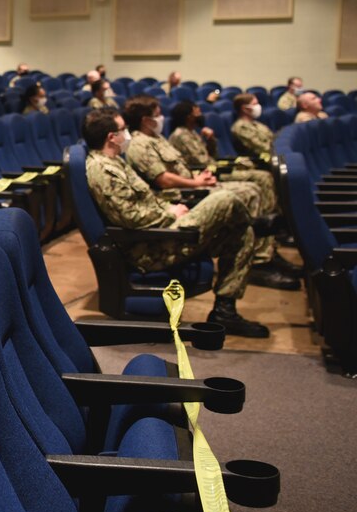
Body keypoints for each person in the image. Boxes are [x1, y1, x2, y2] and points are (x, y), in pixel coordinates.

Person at [83, 108, 268, 337]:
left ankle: (224, 311)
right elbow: (129, 217)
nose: (128, 134)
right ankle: (262, 224)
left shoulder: (114, 161)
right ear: (111, 137)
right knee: (226, 199)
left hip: (163, 230)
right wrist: (171, 214)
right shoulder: (102, 169)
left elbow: (146, 201)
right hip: (153, 246)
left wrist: (171, 207)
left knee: (243, 235)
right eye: (124, 130)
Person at [123, 96, 297, 290]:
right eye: (157, 115)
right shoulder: (139, 144)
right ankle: (258, 258)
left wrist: (200, 175)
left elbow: (184, 166)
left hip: (193, 183)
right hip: (182, 194)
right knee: (251, 191)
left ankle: (264, 249)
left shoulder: (157, 138)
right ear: (146, 120)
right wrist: (195, 182)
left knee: (254, 188)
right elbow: (163, 179)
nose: (162, 118)